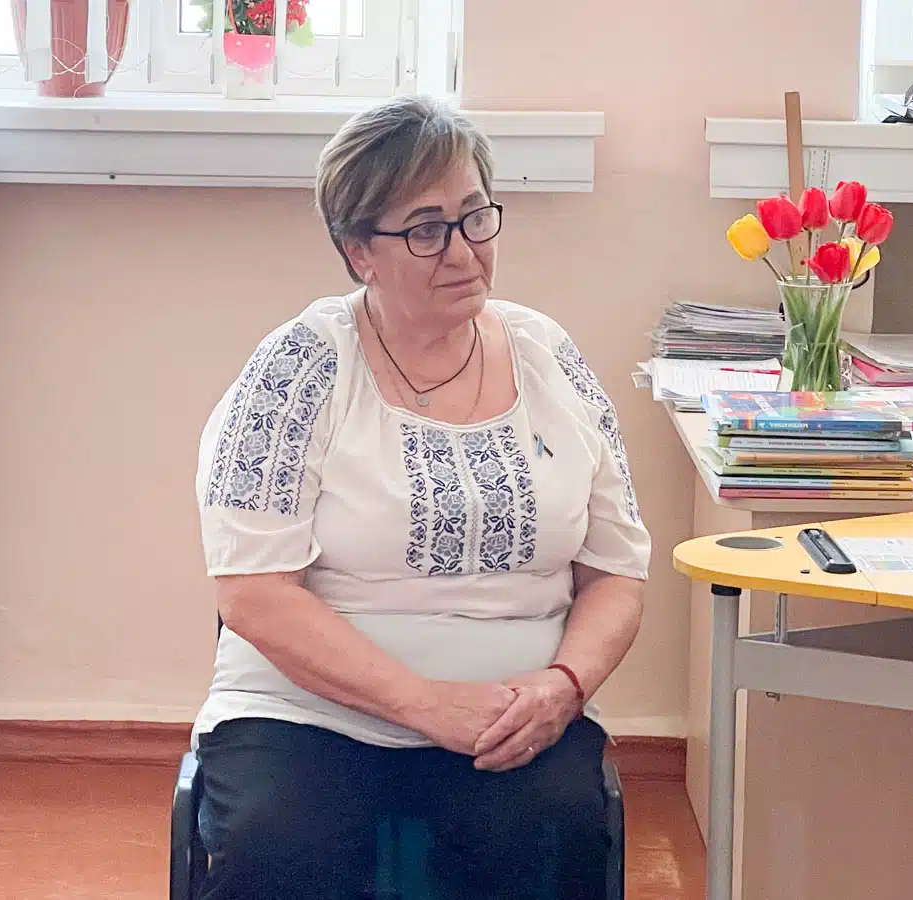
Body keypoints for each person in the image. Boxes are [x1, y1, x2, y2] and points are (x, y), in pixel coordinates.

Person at [192, 94, 650, 899]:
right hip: (309, 712)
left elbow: (616, 569)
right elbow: (252, 591)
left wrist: (564, 686)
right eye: (426, 230)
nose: (463, 251)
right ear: (358, 251)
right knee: (284, 846)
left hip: (515, 714)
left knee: (551, 835)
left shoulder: (547, 355)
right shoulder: (298, 369)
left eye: (476, 217)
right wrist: (428, 706)